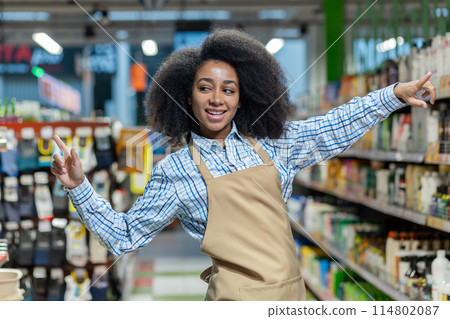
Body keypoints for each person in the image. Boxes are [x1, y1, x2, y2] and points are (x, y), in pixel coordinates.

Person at [51, 29, 436, 301]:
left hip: (290, 299)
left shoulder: (273, 146)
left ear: (242, 98)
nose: (216, 99)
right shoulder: (176, 170)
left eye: (228, 89)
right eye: (205, 87)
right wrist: (79, 187)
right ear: (188, 96)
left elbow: (332, 126)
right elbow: (124, 237)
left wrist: (393, 96)